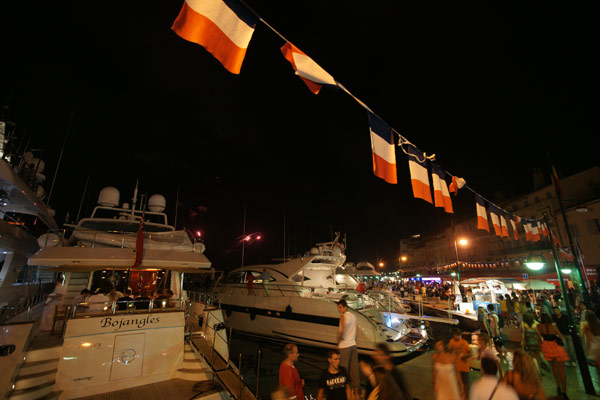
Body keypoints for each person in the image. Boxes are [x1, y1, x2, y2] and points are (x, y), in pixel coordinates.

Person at [538, 313, 568, 398]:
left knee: (554, 368)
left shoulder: (539, 327)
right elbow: (561, 337)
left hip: (548, 347)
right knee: (562, 371)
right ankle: (564, 392)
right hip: (557, 347)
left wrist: (540, 347)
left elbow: (539, 338)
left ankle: (558, 386)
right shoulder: (553, 326)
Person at [336, 299, 359, 400]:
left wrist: (339, 340)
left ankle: (345, 392)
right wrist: (354, 340)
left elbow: (343, 329)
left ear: (345, 307)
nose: (339, 309)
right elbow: (356, 331)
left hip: (344, 345)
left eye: (340, 307)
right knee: (354, 370)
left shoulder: (343, 316)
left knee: (343, 370)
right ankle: (357, 393)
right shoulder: (353, 316)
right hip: (353, 344)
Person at [448, 327, 472, 393]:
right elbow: (449, 352)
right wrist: (451, 350)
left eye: (458, 335)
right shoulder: (451, 341)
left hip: (464, 367)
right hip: (455, 367)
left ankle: (466, 397)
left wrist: (465, 356)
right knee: (456, 384)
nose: (457, 337)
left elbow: (470, 353)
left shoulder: (464, 342)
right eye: (455, 335)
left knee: (465, 383)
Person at [581, 311, 600, 379]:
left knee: (598, 365)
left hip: (594, 347)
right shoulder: (598, 324)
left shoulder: (586, 326)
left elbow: (583, 337)